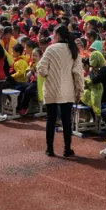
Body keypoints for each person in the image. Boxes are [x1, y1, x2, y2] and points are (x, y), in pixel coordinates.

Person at [39, 26, 85, 157]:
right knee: (66, 121)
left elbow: (41, 68)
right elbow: (78, 73)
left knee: (51, 119)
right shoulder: (73, 50)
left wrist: (49, 74)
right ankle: (67, 149)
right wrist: (79, 91)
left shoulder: (50, 49)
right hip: (68, 89)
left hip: (51, 89)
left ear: (57, 35)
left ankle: (50, 149)